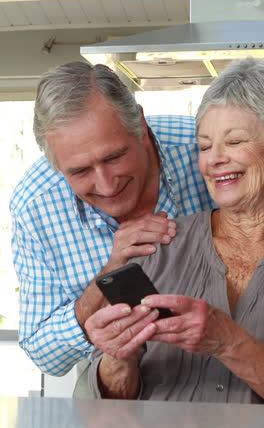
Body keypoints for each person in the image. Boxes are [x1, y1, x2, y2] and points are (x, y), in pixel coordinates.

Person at [10, 61, 213, 378]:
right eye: (79, 171)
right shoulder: (35, 205)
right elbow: (45, 355)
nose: (107, 185)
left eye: (114, 156)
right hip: (116, 382)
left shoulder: (204, 149)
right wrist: (105, 280)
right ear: (58, 167)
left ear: (142, 127)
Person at [85, 57, 264, 404]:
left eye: (235, 141)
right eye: (205, 146)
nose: (214, 159)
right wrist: (118, 358)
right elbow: (112, 403)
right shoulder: (160, 247)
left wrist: (229, 342)